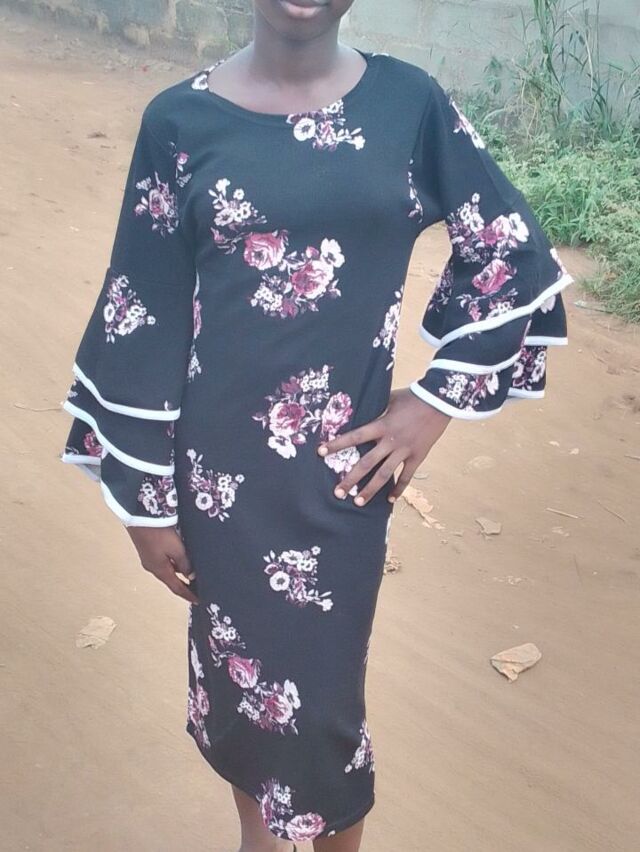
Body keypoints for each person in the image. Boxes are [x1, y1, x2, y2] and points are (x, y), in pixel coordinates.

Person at [60, 1, 572, 849]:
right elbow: (141, 310)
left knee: (325, 710)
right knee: (239, 682)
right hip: (219, 482)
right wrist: (145, 503)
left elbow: (511, 249)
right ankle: (258, 839)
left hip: (342, 477)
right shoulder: (178, 122)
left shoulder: (409, 105)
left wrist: (433, 402)